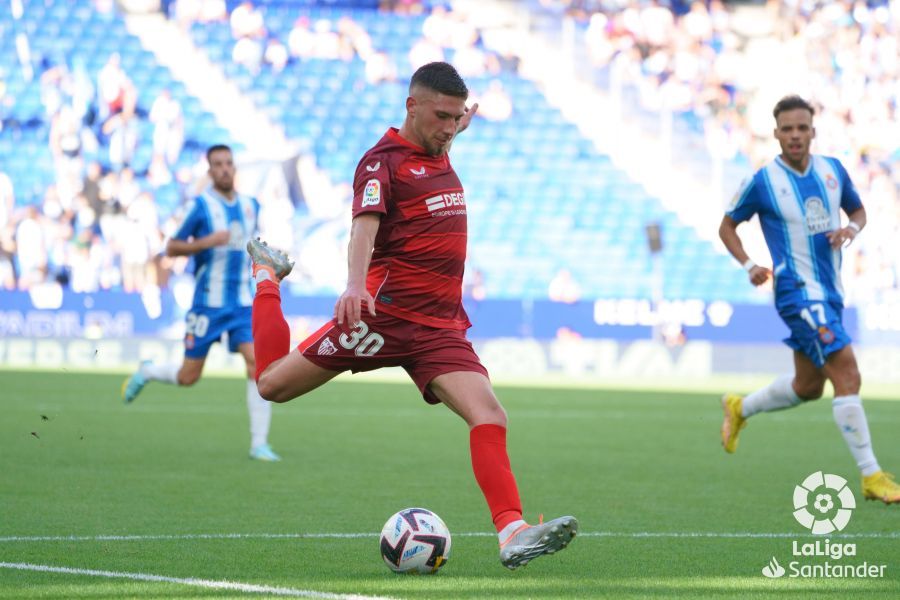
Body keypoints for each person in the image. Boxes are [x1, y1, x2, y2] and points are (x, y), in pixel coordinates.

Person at [247, 62, 578, 568]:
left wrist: (459, 125)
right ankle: (266, 275)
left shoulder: (439, 141)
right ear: (412, 106)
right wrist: (355, 284)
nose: (449, 128)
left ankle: (511, 530)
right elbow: (364, 228)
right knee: (271, 385)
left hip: (440, 326)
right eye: (441, 116)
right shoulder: (381, 162)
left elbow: (445, 135)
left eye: (457, 118)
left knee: (489, 414)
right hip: (383, 318)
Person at [718, 95, 899, 504]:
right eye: (787, 129)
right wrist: (748, 264)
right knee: (847, 373)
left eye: (802, 128)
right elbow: (727, 226)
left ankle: (740, 407)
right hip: (796, 292)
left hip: (831, 292)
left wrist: (850, 229)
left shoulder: (833, 171)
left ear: (812, 131)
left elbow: (859, 211)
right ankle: (871, 476)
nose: (795, 135)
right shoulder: (764, 181)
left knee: (808, 386)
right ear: (777, 133)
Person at [121, 144, 280, 462]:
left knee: (258, 366)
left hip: (241, 305)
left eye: (228, 163)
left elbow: (250, 246)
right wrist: (207, 242)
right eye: (218, 164)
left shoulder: (251, 206)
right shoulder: (202, 207)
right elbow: (172, 247)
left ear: (234, 168)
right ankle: (149, 371)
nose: (224, 169)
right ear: (210, 171)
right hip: (207, 305)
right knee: (188, 377)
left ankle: (259, 444)